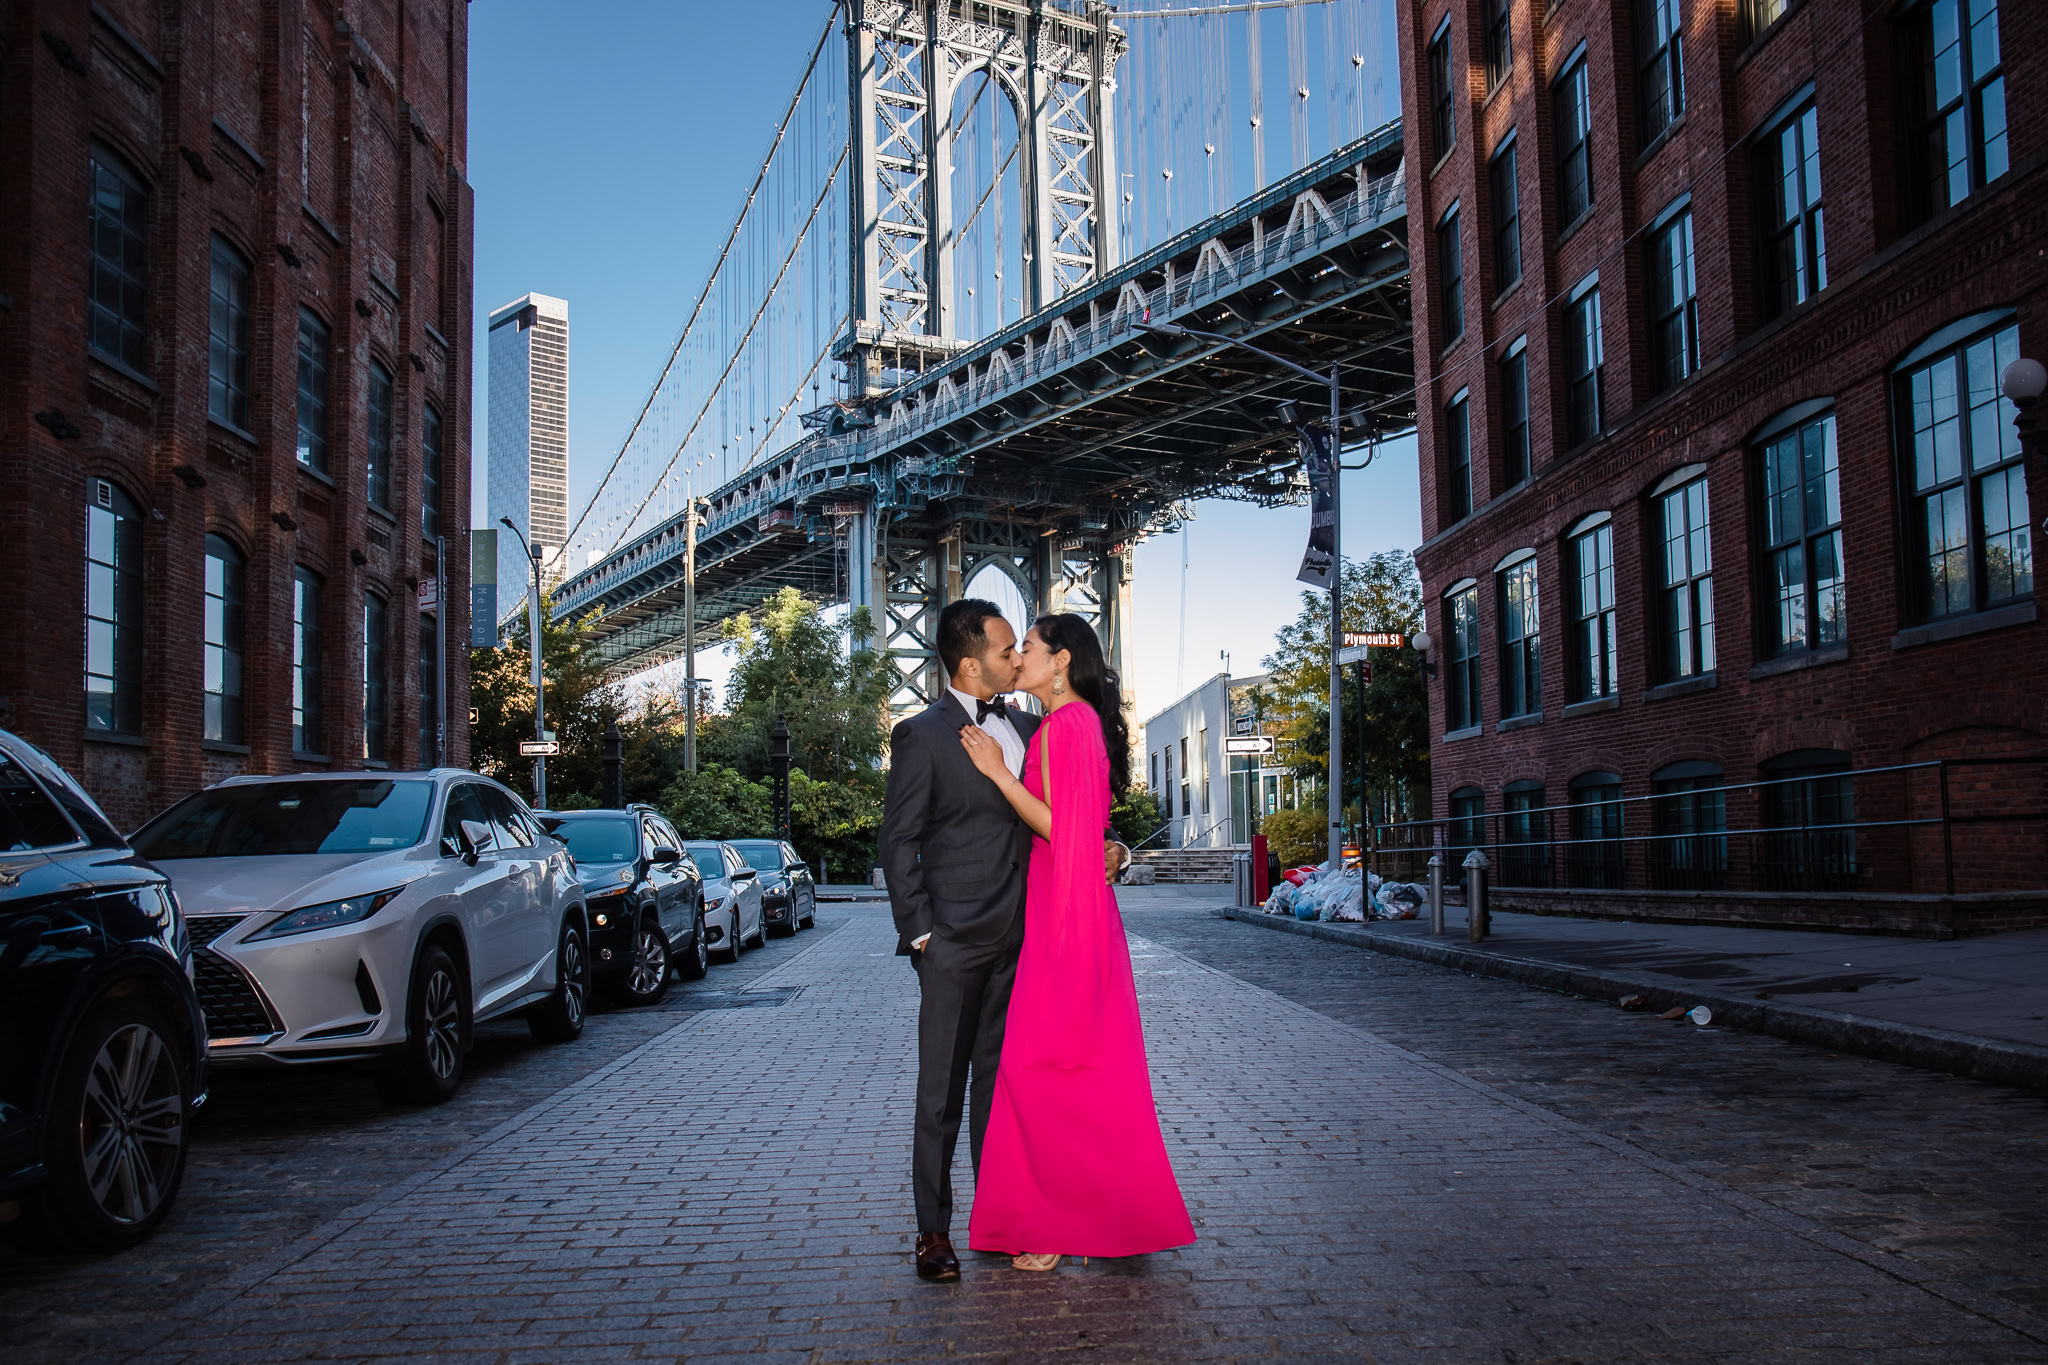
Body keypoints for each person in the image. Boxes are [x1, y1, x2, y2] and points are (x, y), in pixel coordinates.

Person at [878, 599, 1128, 1282]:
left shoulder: (1032, 723)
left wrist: (1116, 850)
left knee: (1004, 1090)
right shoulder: (921, 735)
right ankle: (933, 1232)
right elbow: (896, 839)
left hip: (1027, 944)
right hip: (954, 944)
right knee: (941, 1094)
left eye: (1024, 646)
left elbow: (1070, 816)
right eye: (1005, 647)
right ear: (970, 662)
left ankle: (1004, 1216)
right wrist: (922, 932)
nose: (1017, 656)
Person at [958, 613, 1195, 1271]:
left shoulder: (1066, 725)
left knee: (1039, 1073)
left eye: (1027, 647)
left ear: (1060, 660)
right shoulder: (1076, 723)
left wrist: (1000, 774)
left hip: (1067, 920)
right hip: (1069, 914)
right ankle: (1103, 1219)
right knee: (1086, 1076)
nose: (1019, 656)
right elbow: (1089, 831)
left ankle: (1054, 1224)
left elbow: (1065, 830)